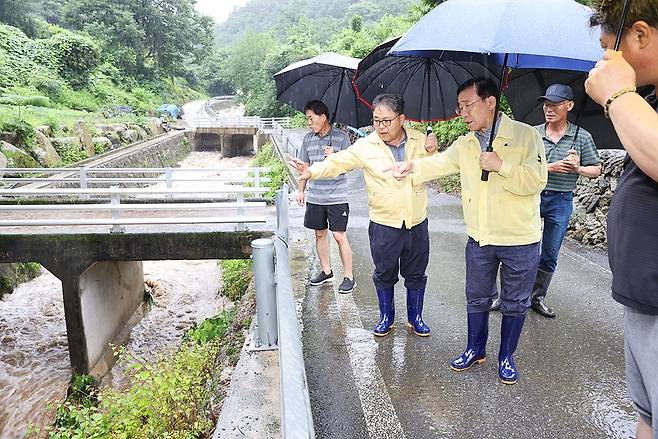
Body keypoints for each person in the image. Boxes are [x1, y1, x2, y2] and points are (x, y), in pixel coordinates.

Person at [390, 77, 547, 384]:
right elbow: (440, 164)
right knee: (476, 297)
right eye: (459, 107)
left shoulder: (526, 136)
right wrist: (411, 168)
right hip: (480, 238)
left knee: (515, 301)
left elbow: (536, 181)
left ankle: (506, 356)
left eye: (468, 105)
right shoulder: (466, 143)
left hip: (519, 239)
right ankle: (475, 348)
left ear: (490, 102)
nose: (462, 112)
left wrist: (501, 165)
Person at [291, 93, 438, 337]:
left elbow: (436, 168)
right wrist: (312, 171)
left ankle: (416, 317)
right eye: (375, 121)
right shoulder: (366, 145)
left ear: (401, 119)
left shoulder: (420, 141)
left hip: (416, 222)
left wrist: (432, 151)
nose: (380, 127)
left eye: (386, 121)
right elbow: (338, 162)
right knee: (384, 273)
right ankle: (386, 317)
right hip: (384, 224)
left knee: (416, 274)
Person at [586, 2, 658, 437]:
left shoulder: (632, 98)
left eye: (606, 48)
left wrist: (618, 94)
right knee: (646, 414)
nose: (603, 62)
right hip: (641, 301)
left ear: (640, 35)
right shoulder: (649, 99)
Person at [491, 84, 602, 317]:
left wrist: (578, 168)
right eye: (546, 105)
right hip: (531, 194)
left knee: (550, 251)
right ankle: (506, 296)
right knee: (515, 246)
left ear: (569, 106)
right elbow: (520, 167)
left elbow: (597, 169)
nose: (548, 109)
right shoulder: (532, 133)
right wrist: (549, 168)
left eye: (555, 105)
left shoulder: (581, 136)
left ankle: (536, 298)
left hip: (561, 199)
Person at [296, 100, 356, 294]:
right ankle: (326, 271)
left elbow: (351, 165)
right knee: (319, 233)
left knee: (339, 236)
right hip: (315, 196)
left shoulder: (341, 137)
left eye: (310, 118)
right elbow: (304, 167)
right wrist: (301, 190)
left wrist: (336, 156)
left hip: (337, 196)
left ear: (323, 117)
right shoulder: (308, 139)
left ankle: (349, 277)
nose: (308, 122)